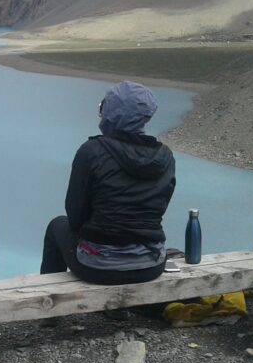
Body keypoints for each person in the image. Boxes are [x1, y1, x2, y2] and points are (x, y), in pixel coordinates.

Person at [41, 81, 175, 285]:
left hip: (98, 266)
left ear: (111, 113)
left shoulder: (92, 151)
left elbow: (75, 215)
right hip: (150, 265)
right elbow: (159, 208)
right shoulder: (165, 157)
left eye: (103, 108)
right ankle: (118, 308)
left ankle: (49, 307)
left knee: (55, 226)